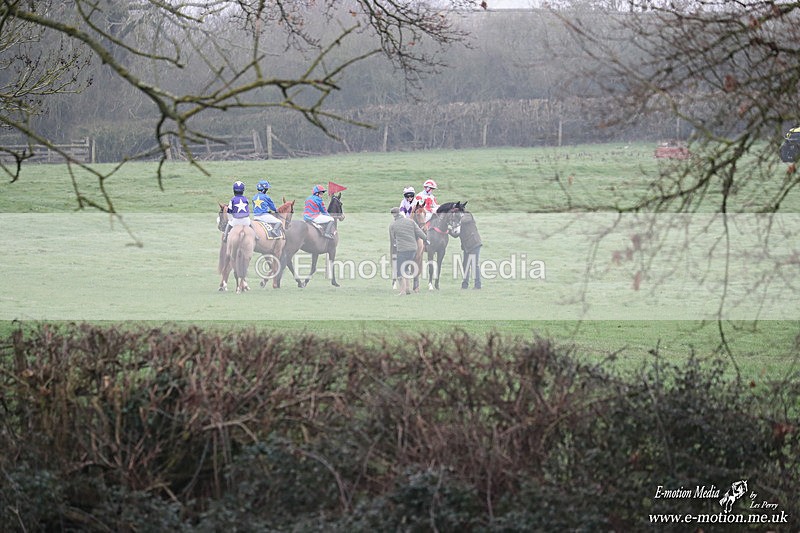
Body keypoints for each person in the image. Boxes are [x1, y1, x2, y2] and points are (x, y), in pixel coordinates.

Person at [389, 206, 426, 295]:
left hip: (402, 250)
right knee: (406, 268)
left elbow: (393, 239)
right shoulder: (411, 221)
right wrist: (425, 238)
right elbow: (419, 232)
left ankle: (402, 291)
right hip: (413, 249)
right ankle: (408, 289)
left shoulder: (393, 225)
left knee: (400, 271)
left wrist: (396, 244)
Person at [458, 210, 482, 289]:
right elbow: (455, 234)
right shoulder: (459, 221)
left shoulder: (467, 215)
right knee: (465, 265)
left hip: (474, 243)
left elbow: (462, 220)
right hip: (466, 246)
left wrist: (454, 218)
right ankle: (465, 285)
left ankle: (477, 285)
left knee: (474, 265)